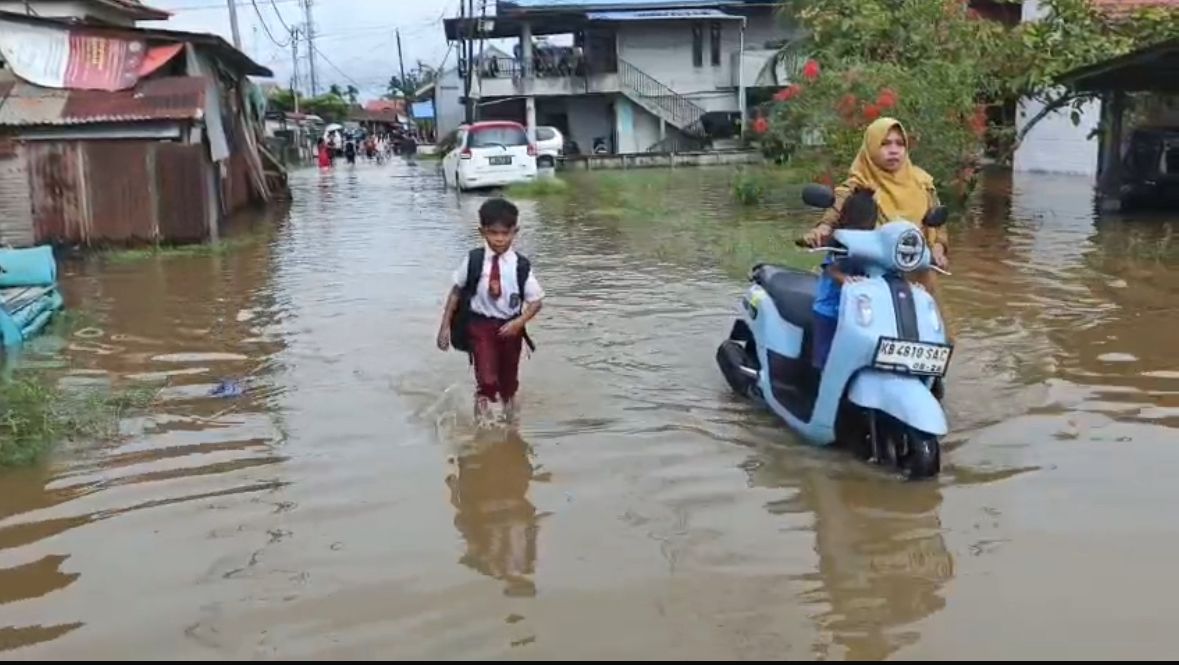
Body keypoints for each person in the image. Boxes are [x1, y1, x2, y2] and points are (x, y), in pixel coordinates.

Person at [437, 198, 544, 425]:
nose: (499, 239)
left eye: (505, 233)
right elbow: (456, 292)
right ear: (482, 231)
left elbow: (536, 302)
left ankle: (510, 423)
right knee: (487, 379)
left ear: (515, 232)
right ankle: (482, 420)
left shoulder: (520, 266)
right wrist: (445, 326)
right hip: (480, 325)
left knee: (508, 382)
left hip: (510, 327)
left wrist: (519, 322)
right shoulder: (474, 260)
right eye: (493, 233)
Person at [803, 117, 949, 272]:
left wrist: (938, 248)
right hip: (868, 267)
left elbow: (938, 224)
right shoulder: (858, 184)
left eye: (900, 143)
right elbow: (835, 210)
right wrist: (821, 230)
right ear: (871, 146)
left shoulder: (923, 183)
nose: (894, 150)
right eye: (885, 143)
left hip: (913, 265)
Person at [810, 188, 878, 368]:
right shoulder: (839, 241)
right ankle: (822, 387)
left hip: (859, 308)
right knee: (825, 359)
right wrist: (846, 279)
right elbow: (832, 270)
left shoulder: (875, 242)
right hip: (831, 307)